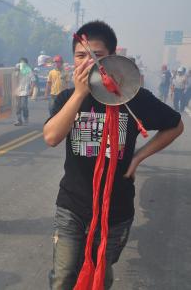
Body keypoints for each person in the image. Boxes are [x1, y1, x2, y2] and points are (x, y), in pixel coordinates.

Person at [43, 21, 183, 289]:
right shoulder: (67, 98)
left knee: (100, 274)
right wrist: (80, 94)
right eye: (81, 56)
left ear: (111, 57)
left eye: (96, 55)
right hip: (72, 205)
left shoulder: (134, 98)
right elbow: (51, 137)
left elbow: (175, 125)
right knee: (63, 278)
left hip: (115, 210)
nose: (87, 62)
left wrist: (138, 156)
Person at [13, 57, 35, 126]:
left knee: (24, 106)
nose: (22, 64)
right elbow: (14, 79)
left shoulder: (29, 71)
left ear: (26, 64)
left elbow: (33, 80)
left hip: (25, 91)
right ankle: (19, 120)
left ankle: (26, 117)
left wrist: (31, 90)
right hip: (17, 91)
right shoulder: (17, 70)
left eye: (23, 62)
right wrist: (18, 70)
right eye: (21, 62)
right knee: (17, 106)